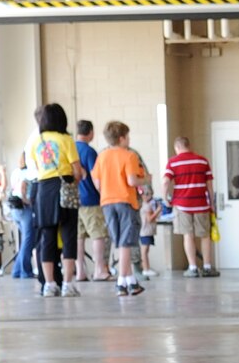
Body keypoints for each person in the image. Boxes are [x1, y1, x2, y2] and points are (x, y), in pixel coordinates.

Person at [27, 103, 83, 296]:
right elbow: (78, 171)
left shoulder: (37, 141)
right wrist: (75, 178)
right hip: (64, 188)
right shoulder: (66, 140)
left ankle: (49, 284)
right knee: (68, 236)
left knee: (47, 237)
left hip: (43, 190)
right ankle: (68, 284)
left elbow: (35, 166)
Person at [94, 121, 150, 296]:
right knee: (126, 242)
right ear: (122, 138)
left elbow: (97, 182)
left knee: (119, 240)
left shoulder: (102, 156)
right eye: (128, 137)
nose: (129, 140)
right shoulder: (129, 156)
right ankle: (121, 283)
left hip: (107, 202)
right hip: (126, 201)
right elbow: (132, 180)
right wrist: (146, 180)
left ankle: (131, 281)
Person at [163, 135, 218, 277]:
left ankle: (192, 268)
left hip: (182, 205)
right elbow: (210, 186)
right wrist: (211, 204)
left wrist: (165, 198)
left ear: (177, 147)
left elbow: (165, 182)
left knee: (188, 235)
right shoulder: (202, 161)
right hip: (201, 204)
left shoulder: (173, 162)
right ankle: (207, 267)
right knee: (205, 236)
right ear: (189, 145)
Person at [74, 120, 110, 281]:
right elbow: (97, 178)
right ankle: (98, 270)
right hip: (90, 199)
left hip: (74, 200)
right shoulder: (90, 152)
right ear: (91, 132)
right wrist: (104, 196)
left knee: (78, 237)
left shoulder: (71, 149)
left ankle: (80, 271)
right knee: (98, 235)